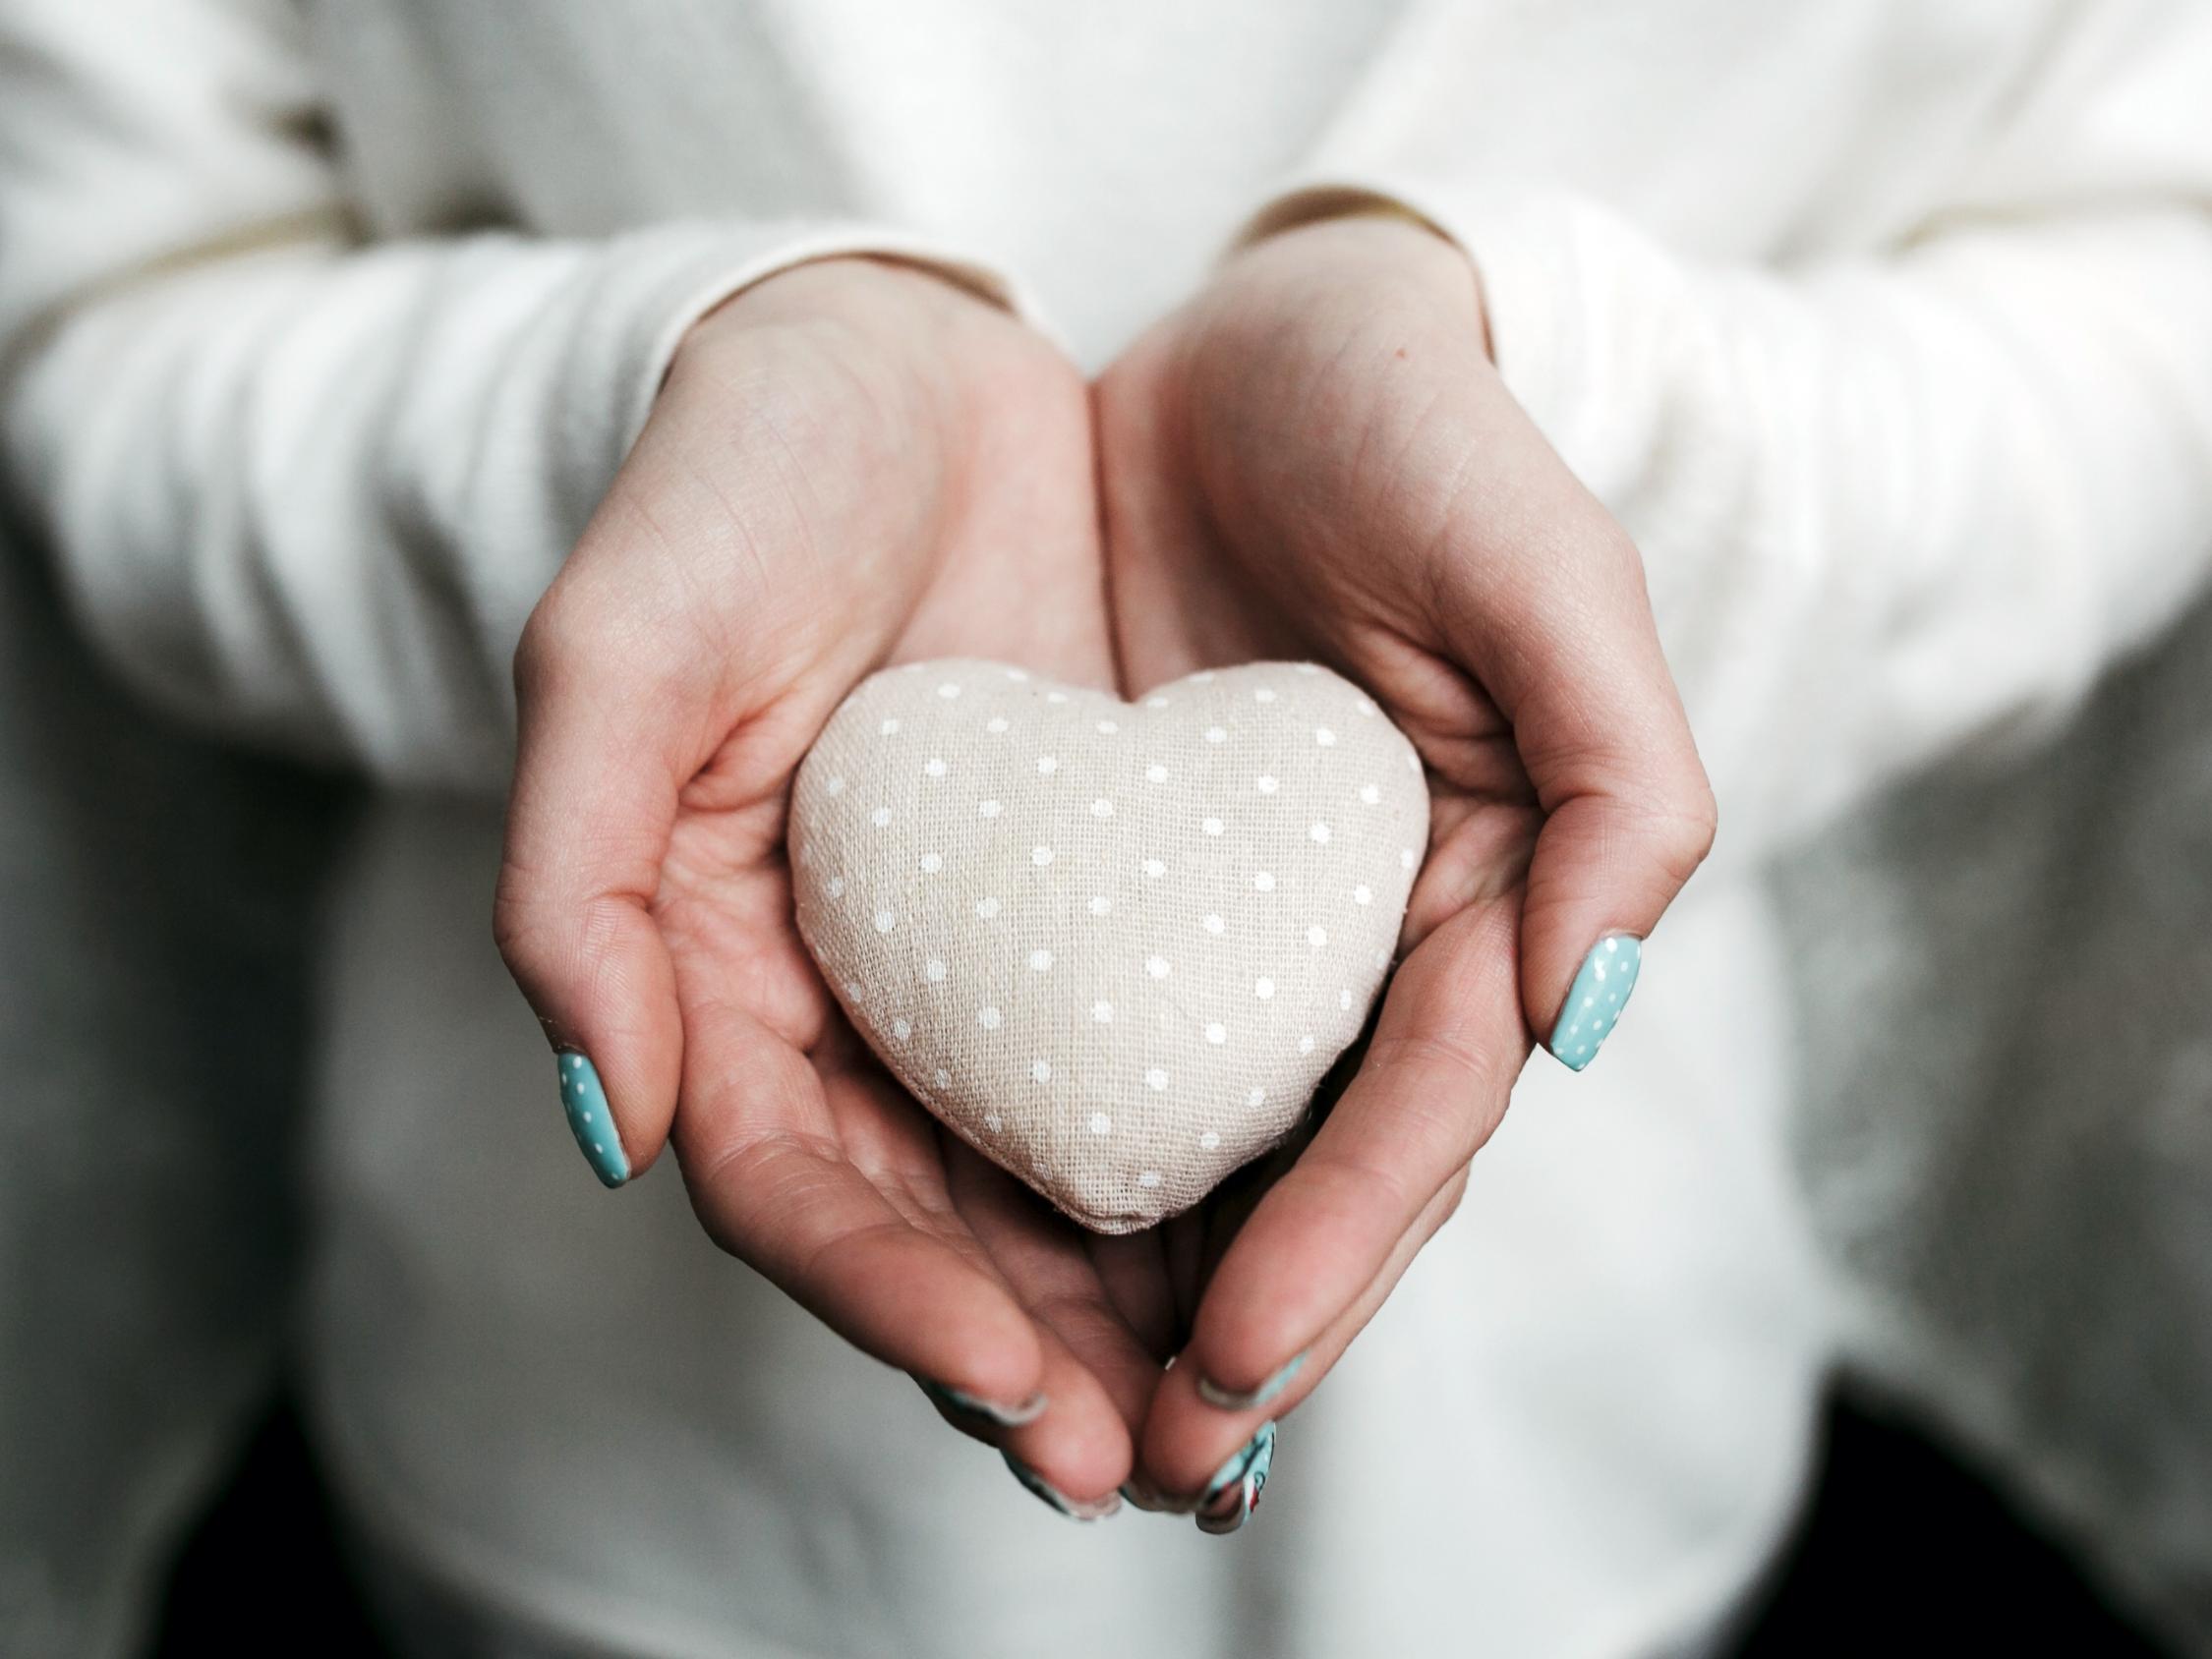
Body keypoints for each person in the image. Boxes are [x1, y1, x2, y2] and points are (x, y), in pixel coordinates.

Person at [3, 3, 2209, 1655]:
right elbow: (109, 294)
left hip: (1555, 1478)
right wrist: (631, 416)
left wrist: (1563, 440)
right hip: (605, 1482)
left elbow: (2150, 279)